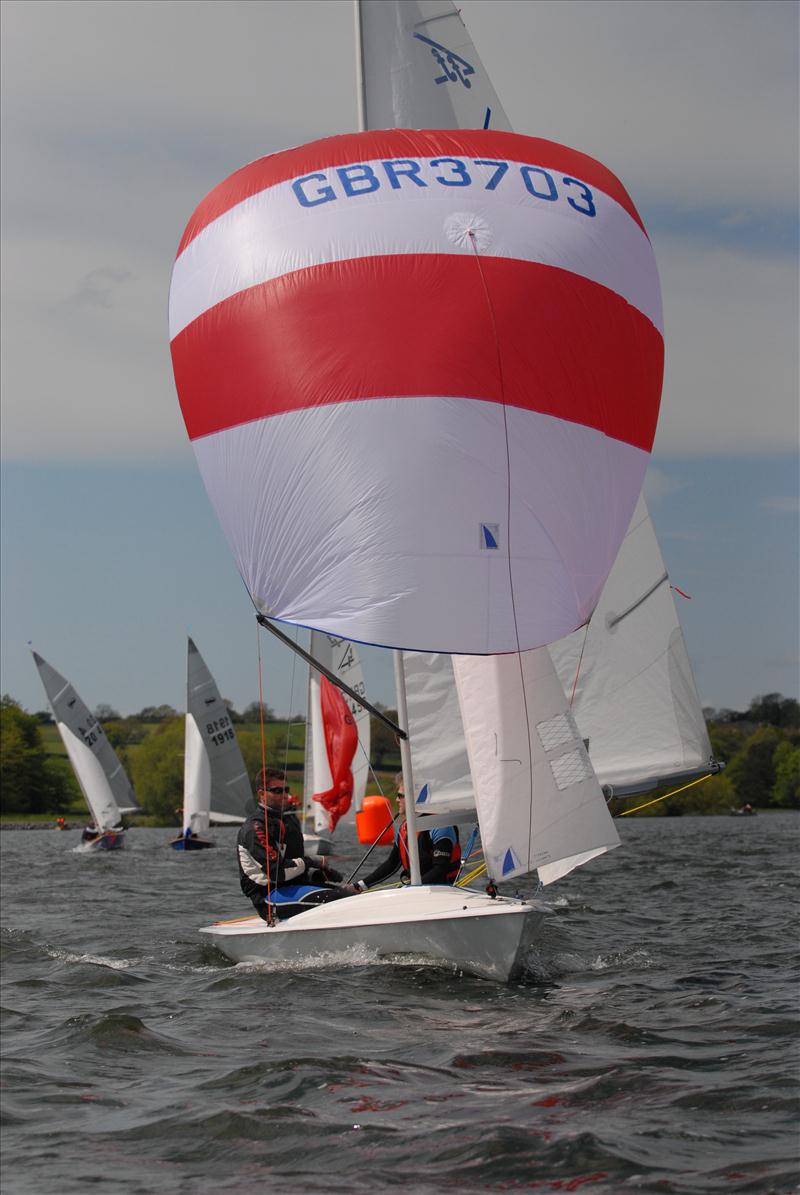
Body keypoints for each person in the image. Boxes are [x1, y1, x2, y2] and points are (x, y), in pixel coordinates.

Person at [237, 768, 349, 920]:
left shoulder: (287, 822)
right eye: (277, 790)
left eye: (286, 789)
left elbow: (294, 864)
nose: (284, 795)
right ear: (262, 794)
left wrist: (316, 874)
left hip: (291, 888)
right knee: (341, 899)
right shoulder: (255, 828)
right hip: (268, 899)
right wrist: (314, 862)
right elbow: (278, 872)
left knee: (350, 895)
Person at [350, 774, 461, 891]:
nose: (396, 800)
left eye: (400, 796)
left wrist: (410, 888)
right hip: (416, 890)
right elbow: (392, 864)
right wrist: (359, 886)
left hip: (443, 891)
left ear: (414, 797)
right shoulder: (404, 827)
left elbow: (440, 869)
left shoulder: (439, 826)